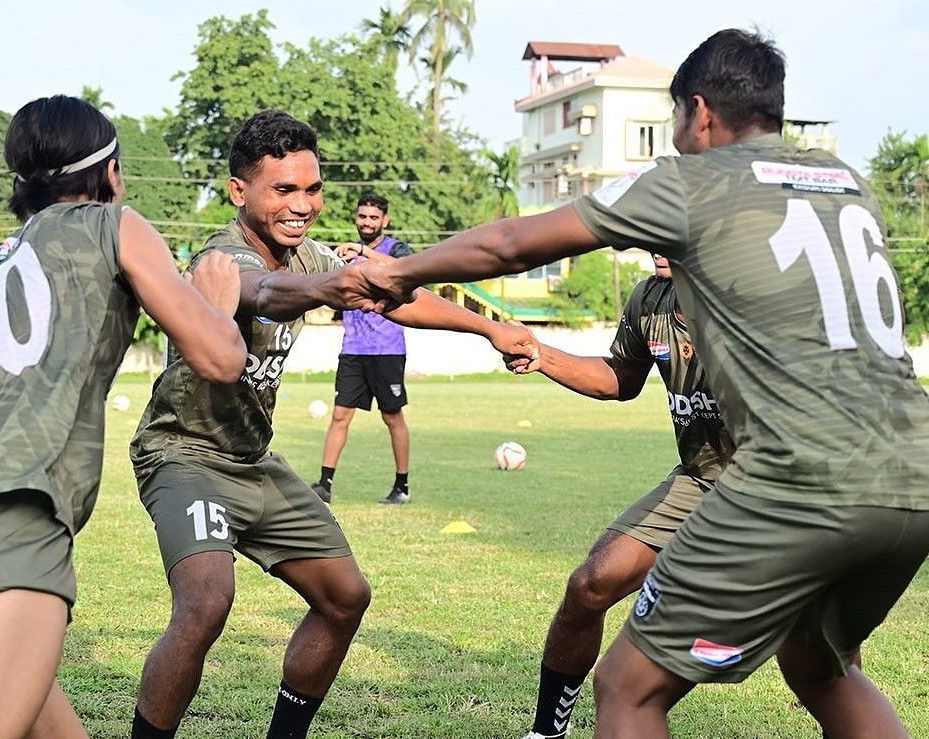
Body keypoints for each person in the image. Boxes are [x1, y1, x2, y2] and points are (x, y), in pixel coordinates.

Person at [353, 29, 929, 739]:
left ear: (700, 113)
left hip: (793, 474)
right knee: (819, 666)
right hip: (913, 475)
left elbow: (510, 244)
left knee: (628, 686)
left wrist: (397, 270)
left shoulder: (696, 179)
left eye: (679, 127)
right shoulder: (848, 187)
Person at [127, 109, 537, 739]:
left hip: (253, 459)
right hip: (186, 455)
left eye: (312, 189)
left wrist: (487, 327)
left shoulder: (309, 254)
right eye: (283, 190)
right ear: (240, 192)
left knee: (345, 597)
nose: (302, 204)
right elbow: (262, 292)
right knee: (206, 604)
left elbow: (396, 294)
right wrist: (327, 286)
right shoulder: (222, 258)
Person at [0, 94, 246, 739]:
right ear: (108, 174)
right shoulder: (115, 224)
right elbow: (221, 358)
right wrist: (217, 302)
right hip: (9, 545)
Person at [512, 255, 733, 738]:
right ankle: (547, 732)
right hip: (699, 479)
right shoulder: (649, 297)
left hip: (770, 487)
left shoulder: (745, 293)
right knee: (590, 585)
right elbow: (622, 377)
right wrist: (543, 354)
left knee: (815, 648)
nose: (650, 239)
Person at [311, 192, 415, 505]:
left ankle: (402, 487)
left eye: (373, 218)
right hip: (353, 348)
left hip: (387, 348)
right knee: (340, 415)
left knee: (392, 417)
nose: (366, 222)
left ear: (385, 220)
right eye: (362, 217)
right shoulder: (345, 254)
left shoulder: (393, 248)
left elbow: (405, 270)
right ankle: (324, 485)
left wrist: (363, 251)